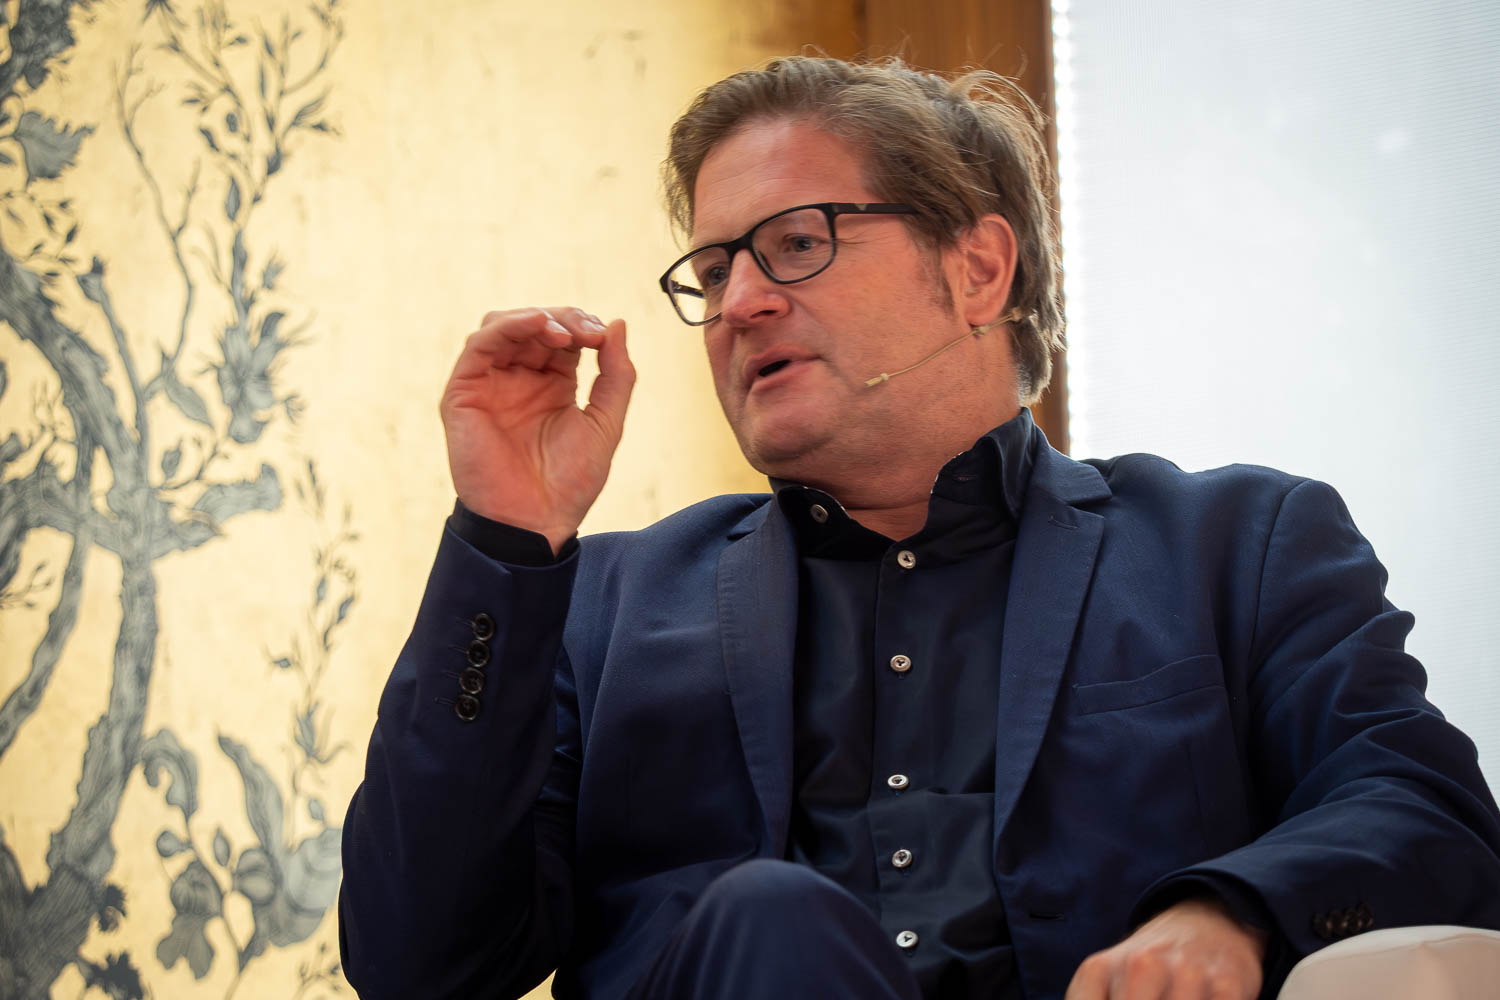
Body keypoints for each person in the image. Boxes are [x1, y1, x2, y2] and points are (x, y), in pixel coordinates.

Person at [338, 57, 1500, 1000]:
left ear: (979, 269)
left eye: (797, 242)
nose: (740, 301)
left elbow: (1425, 810)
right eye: (714, 268)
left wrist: (1230, 909)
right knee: (766, 919)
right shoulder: (605, 605)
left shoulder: (1234, 546)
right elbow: (416, 963)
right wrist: (506, 541)